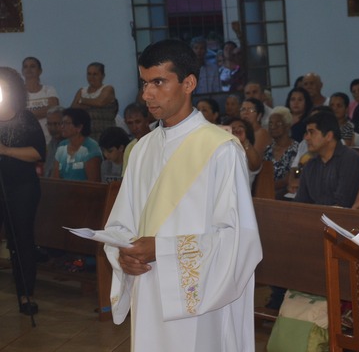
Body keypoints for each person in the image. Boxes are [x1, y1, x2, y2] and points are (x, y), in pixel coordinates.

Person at [103, 39, 262, 352]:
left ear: (189, 83)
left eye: (159, 82)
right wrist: (123, 255)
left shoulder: (220, 149)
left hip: (199, 298)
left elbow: (238, 240)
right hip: (148, 286)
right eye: (145, 83)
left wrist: (162, 251)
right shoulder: (142, 150)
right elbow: (121, 222)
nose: (147, 94)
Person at [0, 67, 46, 316]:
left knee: (21, 241)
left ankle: (26, 294)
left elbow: (39, 153)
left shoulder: (25, 118)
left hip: (22, 188)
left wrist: (6, 150)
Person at [294, 111, 359, 207]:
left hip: (344, 219)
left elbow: (343, 204)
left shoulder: (350, 160)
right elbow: (300, 202)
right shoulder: (310, 164)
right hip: (316, 218)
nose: (306, 137)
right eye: (306, 133)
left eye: (311, 132)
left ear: (329, 136)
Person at [71, 62, 117, 141]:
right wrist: (93, 104)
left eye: (95, 74)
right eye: (89, 74)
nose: (91, 77)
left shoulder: (108, 89)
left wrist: (82, 101)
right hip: (85, 136)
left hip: (105, 134)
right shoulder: (82, 91)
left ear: (102, 76)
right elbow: (73, 109)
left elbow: (100, 102)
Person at [52, 108, 102, 182]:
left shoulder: (91, 148)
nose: (62, 127)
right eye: (61, 123)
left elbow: (94, 184)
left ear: (79, 127)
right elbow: (55, 178)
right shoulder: (62, 146)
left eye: (66, 123)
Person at [263, 106, 299, 198]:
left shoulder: (297, 149)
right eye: (270, 124)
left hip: (291, 196)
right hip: (269, 196)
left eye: (278, 123)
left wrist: (270, 187)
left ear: (287, 126)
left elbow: (291, 179)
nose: (273, 127)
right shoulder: (267, 150)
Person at [21, 57, 59, 143]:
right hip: (25, 139)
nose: (29, 69)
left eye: (32, 66)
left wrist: (26, 114)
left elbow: (53, 111)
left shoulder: (49, 90)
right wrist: (43, 111)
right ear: (22, 71)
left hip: (48, 140)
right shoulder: (17, 93)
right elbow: (16, 115)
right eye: (25, 67)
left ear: (40, 71)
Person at [122, 102, 152, 174]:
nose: (134, 127)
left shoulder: (159, 142)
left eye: (138, 122)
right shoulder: (130, 147)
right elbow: (126, 178)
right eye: (130, 123)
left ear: (147, 120)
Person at [43, 106, 65, 177]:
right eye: (49, 124)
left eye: (56, 124)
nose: (52, 128)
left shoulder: (72, 145)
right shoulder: (51, 145)